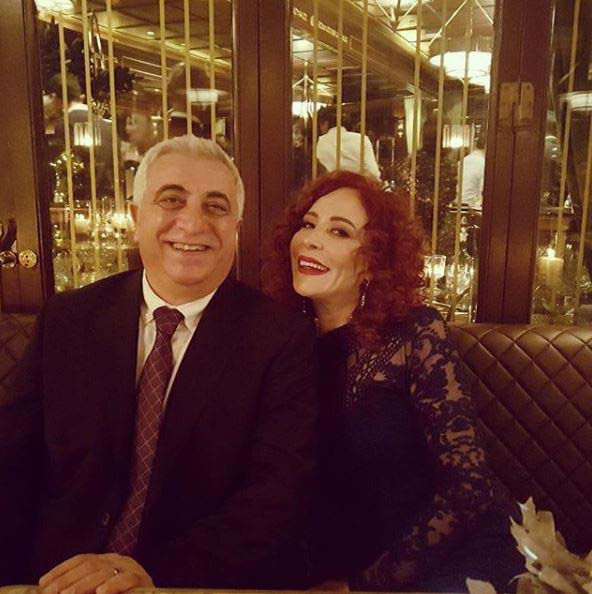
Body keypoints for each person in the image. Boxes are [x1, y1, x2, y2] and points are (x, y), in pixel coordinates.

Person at [0, 135, 318, 591]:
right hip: (54, 576)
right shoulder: (69, 318)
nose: (192, 223)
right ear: (136, 218)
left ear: (235, 227)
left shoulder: (280, 339)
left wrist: (155, 572)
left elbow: (274, 496)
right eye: (171, 199)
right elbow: (13, 461)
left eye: (215, 206)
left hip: (185, 580)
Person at [264, 170, 522, 592]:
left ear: (373, 261)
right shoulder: (287, 346)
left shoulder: (415, 334)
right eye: (308, 225)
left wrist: (365, 584)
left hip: (458, 550)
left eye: (339, 232)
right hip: (350, 559)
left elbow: (469, 486)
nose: (311, 240)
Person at [316, 107, 381, 180]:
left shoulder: (319, 143)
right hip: (358, 184)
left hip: (330, 185)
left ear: (325, 123)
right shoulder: (362, 139)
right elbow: (373, 172)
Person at [460, 135, 486, 210]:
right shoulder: (484, 163)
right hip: (473, 207)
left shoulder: (462, 161)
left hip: (457, 205)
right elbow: (483, 189)